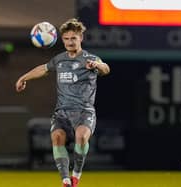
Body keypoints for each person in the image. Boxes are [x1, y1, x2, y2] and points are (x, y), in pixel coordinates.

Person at [15, 18, 110, 187]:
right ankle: (66, 181)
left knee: (81, 137)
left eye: (73, 38)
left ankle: (76, 176)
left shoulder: (90, 59)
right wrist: (24, 77)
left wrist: (96, 64)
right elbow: (43, 69)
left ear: (81, 38)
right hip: (62, 112)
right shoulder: (59, 59)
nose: (69, 42)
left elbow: (106, 68)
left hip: (84, 111)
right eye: (66, 39)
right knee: (57, 138)